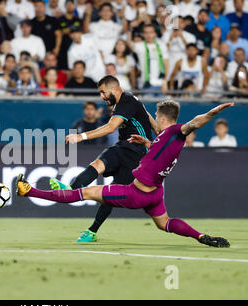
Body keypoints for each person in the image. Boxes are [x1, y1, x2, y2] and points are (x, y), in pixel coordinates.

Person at [18, 100, 234, 248]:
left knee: (87, 192)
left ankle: (30, 191)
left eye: (157, 116)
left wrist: (216, 111)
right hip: (155, 194)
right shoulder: (167, 139)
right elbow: (160, 153)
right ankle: (200, 236)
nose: (155, 118)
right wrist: (147, 142)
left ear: (163, 117)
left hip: (136, 193)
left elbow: (196, 121)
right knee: (164, 223)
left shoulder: (175, 130)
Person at [49, 75, 158, 243]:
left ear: (114, 89)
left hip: (138, 154)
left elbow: (111, 127)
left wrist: (81, 136)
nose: (101, 97)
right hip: (123, 146)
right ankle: (71, 190)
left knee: (112, 194)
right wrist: (158, 130)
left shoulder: (127, 101)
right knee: (98, 164)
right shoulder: (127, 101)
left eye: (103, 92)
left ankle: (92, 231)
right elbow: (146, 114)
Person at [127, 24, 168, 94]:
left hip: (160, 84)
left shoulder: (161, 45)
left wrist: (165, 82)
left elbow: (166, 64)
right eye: (146, 33)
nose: (148, 35)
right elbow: (129, 43)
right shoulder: (140, 46)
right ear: (143, 34)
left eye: (151, 32)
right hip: (146, 84)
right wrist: (130, 30)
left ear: (155, 33)